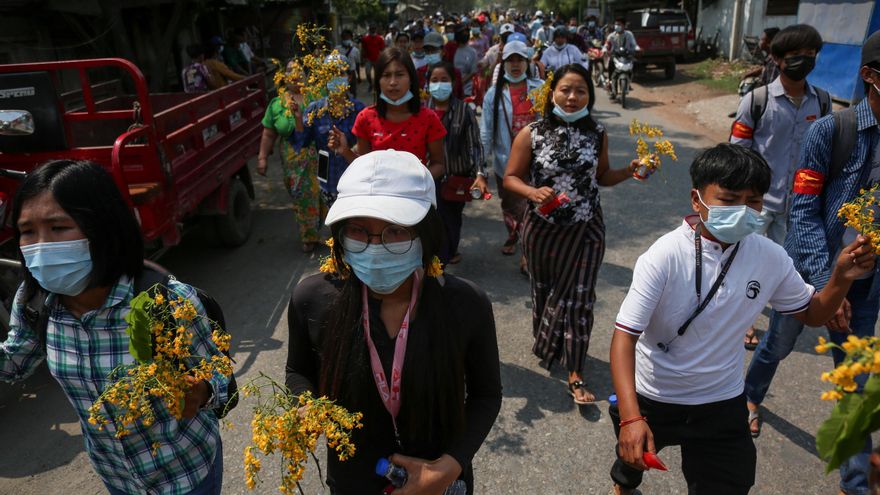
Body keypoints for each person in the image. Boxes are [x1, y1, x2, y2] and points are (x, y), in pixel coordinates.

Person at [608, 143, 876, 495]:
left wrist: (841, 278)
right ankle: (624, 485)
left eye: (753, 201)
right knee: (633, 459)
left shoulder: (770, 257)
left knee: (729, 484)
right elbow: (624, 337)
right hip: (656, 393)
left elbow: (812, 313)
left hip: (722, 400)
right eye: (729, 198)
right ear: (696, 199)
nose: (742, 210)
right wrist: (631, 417)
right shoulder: (663, 256)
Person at [1, 160, 231, 494]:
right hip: (118, 477)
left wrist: (203, 390)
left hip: (185, 473)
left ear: (101, 228)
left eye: (58, 228)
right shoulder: (34, 300)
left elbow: (220, 373)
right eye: (27, 232)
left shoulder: (164, 300)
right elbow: (14, 362)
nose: (42, 246)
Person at [285, 149, 502, 495]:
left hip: (439, 481)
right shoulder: (314, 300)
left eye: (396, 231)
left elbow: (486, 394)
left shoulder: (466, 304)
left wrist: (449, 466)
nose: (374, 247)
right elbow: (298, 371)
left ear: (426, 233)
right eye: (357, 230)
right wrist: (307, 406)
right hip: (353, 481)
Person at [743, 31, 880, 495]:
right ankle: (749, 398)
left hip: (867, 286)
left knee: (855, 381)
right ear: (869, 76)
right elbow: (803, 210)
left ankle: (856, 482)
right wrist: (828, 282)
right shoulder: (832, 130)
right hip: (811, 277)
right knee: (776, 346)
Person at [504, 63, 638, 404]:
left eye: (581, 90)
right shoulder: (531, 133)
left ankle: (575, 370)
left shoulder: (598, 133)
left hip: (587, 228)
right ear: (552, 93)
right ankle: (549, 340)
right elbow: (511, 178)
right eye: (566, 89)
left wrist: (628, 172)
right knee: (545, 291)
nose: (573, 96)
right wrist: (533, 193)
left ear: (590, 95)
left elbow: (603, 176)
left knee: (580, 299)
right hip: (542, 230)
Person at [730, 24, 830, 350]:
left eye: (810, 55)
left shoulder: (823, 103)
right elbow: (737, 150)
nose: (804, 60)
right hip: (757, 204)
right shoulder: (756, 100)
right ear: (777, 58)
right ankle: (744, 324)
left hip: (799, 207)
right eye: (795, 55)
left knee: (783, 268)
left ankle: (777, 325)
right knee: (746, 265)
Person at [328, 47, 447, 179]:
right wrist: (345, 151)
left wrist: (418, 182)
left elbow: (439, 164)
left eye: (400, 74)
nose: (393, 82)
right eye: (386, 75)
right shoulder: (365, 118)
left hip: (416, 197)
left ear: (411, 78)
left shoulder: (429, 118)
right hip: (375, 198)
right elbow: (362, 166)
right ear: (378, 82)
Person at [480, 40, 543, 264]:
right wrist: (480, 170)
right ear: (503, 63)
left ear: (527, 62)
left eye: (520, 59)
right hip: (505, 164)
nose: (515, 64)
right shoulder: (493, 95)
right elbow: (486, 133)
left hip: (536, 163)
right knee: (509, 206)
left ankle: (527, 252)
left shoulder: (541, 89)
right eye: (510, 60)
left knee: (530, 208)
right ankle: (513, 234)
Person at [425, 61, 488, 265]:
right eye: (435, 80)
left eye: (444, 80)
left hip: (456, 179)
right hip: (427, 177)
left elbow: (475, 145)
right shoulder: (421, 112)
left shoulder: (463, 110)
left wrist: (480, 174)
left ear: (453, 83)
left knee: (451, 221)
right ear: (427, 84)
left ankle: (448, 253)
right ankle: (436, 260)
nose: (439, 84)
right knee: (431, 221)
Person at [257, 64, 322, 253]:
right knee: (300, 194)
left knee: (318, 194)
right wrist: (262, 158)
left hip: (316, 153)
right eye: (290, 71)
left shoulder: (315, 98)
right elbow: (268, 134)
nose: (294, 75)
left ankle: (312, 234)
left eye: (298, 71)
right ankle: (309, 232)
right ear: (284, 76)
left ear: (305, 75)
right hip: (291, 157)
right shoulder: (277, 104)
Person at [291, 61, 366, 207]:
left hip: (353, 176)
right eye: (330, 74)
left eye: (340, 73)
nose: (335, 78)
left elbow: (366, 145)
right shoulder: (315, 109)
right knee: (335, 221)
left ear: (349, 77)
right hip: (328, 177)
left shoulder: (359, 109)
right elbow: (302, 141)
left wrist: (350, 148)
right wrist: (298, 119)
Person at [604, 18, 638, 87]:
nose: (617, 26)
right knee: (610, 63)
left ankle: (630, 79)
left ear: (624, 26)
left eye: (619, 24)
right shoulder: (611, 36)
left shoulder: (629, 34)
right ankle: (610, 81)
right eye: (616, 24)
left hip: (626, 55)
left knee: (636, 63)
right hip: (615, 56)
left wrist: (638, 49)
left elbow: (634, 45)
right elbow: (606, 45)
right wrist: (606, 50)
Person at [453, 28, 478, 97]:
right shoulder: (451, 50)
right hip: (451, 89)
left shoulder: (472, 52)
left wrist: (460, 83)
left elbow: (473, 72)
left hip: (466, 90)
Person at [361, 26, 386, 92]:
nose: (372, 30)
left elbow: (383, 49)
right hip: (368, 59)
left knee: (377, 74)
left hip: (377, 59)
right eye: (371, 29)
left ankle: (376, 86)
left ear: (375, 29)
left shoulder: (380, 38)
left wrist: (383, 58)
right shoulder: (365, 39)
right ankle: (370, 84)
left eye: (374, 29)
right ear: (369, 30)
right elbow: (363, 49)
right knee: (368, 73)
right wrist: (363, 59)